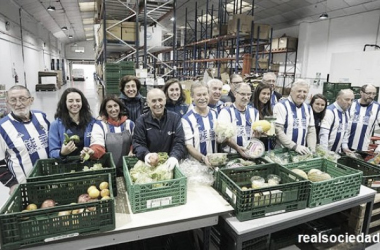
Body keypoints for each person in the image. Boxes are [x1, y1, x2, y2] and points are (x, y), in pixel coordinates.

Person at [0, 85, 50, 194]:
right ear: (8, 103)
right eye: (13, 100)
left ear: (31, 100)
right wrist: (12, 184)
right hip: (25, 187)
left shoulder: (41, 117)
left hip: (51, 180)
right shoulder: (2, 128)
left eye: (22, 99)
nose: (18, 104)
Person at [132, 88, 187, 170]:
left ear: (165, 100)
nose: (158, 104)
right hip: (150, 166)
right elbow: (138, 143)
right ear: (148, 103)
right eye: (153, 101)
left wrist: (174, 157)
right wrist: (146, 155)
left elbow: (179, 141)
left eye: (160, 100)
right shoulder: (141, 121)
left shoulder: (174, 118)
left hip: (170, 165)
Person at [49, 88, 105, 161]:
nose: (75, 104)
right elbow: (52, 152)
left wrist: (91, 151)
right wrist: (62, 153)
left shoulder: (92, 122)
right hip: (66, 167)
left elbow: (98, 143)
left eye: (78, 101)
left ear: (82, 103)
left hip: (88, 165)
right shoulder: (56, 125)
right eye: (70, 101)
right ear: (65, 103)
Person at [273, 79, 316, 154]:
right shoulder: (281, 106)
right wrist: (294, 146)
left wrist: (312, 149)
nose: (302, 94)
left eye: (305, 92)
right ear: (291, 91)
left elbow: (311, 130)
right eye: (299, 91)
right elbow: (278, 130)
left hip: (301, 152)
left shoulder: (308, 108)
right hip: (282, 152)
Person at [218, 82, 259, 158]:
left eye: (248, 94)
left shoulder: (254, 112)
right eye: (243, 94)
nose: (246, 97)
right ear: (235, 94)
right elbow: (222, 137)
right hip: (230, 155)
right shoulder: (226, 112)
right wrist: (237, 148)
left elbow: (254, 136)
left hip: (249, 154)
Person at [182, 82, 218, 166]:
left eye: (205, 94)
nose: (202, 98)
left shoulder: (215, 113)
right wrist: (203, 158)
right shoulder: (187, 119)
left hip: (215, 162)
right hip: (196, 166)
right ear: (192, 97)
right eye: (198, 95)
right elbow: (189, 145)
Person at [99, 96, 135, 176]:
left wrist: (132, 150)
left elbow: (136, 140)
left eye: (115, 105)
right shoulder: (102, 126)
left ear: (120, 107)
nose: (113, 109)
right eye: (109, 107)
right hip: (110, 170)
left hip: (129, 169)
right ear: (105, 109)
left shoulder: (129, 124)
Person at [344, 84, 380, 152]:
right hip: (345, 146)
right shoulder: (351, 104)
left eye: (374, 94)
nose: (371, 96)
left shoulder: (377, 107)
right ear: (361, 92)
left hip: (363, 149)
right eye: (369, 93)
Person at [252, 82, 275, 150]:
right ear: (257, 94)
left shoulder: (269, 110)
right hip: (254, 145)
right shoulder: (251, 109)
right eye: (264, 93)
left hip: (266, 145)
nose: (266, 96)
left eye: (268, 94)